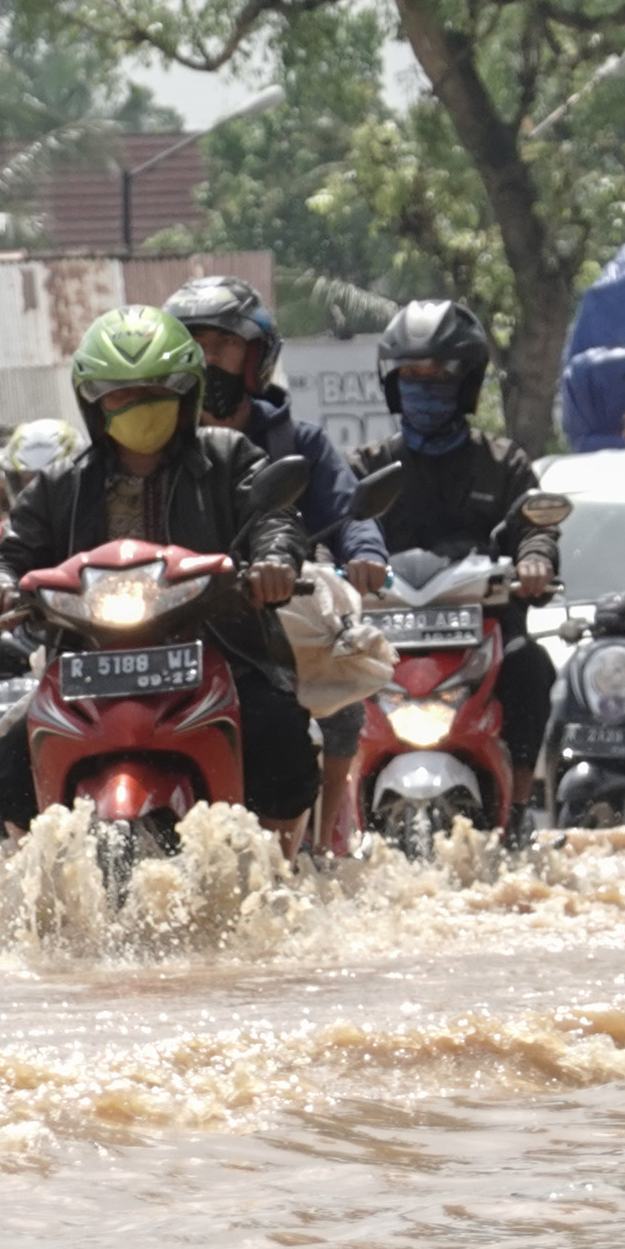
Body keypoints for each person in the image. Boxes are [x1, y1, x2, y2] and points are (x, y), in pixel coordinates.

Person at [0, 306, 316, 835]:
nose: (141, 407)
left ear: (188, 396)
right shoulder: (61, 484)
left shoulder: (230, 457)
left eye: (158, 392)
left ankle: (279, 880)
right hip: (88, 663)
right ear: (94, 403)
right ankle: (39, 898)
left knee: (281, 739)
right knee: (14, 766)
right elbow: (14, 548)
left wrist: (274, 560)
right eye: (121, 395)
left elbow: (272, 517)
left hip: (217, 650)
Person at [164, 275, 390, 839]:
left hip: (276, 604)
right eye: (193, 347)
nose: (206, 360)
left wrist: (363, 553)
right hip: (168, 610)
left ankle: (328, 836)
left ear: (257, 357)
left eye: (222, 346)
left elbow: (349, 510)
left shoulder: (298, 441)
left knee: (340, 692)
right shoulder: (154, 441)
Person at [345, 300, 562, 827]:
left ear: (467, 383)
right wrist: (333, 564)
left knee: (533, 667)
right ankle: (328, 823)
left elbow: (535, 529)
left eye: (439, 377)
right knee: (313, 689)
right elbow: (338, 529)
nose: (424, 388)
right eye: (411, 376)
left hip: (483, 636)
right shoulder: (367, 468)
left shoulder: (504, 463)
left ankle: (524, 806)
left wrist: (534, 560)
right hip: (382, 642)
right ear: (392, 384)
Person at [0, 419, 79, 831]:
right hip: (21, 663)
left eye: (49, 481)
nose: (36, 493)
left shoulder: (93, 534)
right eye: (26, 482)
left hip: (86, 655)